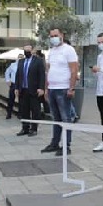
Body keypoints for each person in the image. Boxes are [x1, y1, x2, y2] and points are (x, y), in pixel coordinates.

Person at [42, 28, 78, 157]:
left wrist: (71, 88)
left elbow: (74, 70)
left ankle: (66, 146)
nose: (53, 38)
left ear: (62, 35)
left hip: (63, 89)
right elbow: (48, 71)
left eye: (56, 35)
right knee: (56, 118)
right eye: (51, 36)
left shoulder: (69, 50)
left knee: (66, 118)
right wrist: (46, 88)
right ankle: (54, 143)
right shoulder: (51, 51)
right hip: (52, 89)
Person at [15, 45, 46, 137]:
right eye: (25, 50)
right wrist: (16, 88)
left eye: (28, 50)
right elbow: (18, 76)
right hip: (23, 90)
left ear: (32, 50)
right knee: (24, 110)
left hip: (34, 90)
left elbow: (42, 75)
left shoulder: (38, 61)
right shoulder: (21, 62)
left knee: (35, 110)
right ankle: (25, 128)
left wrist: (41, 88)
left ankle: (34, 129)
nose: (27, 51)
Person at [4, 55, 22, 119]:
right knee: (11, 99)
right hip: (13, 84)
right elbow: (7, 72)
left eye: (21, 57)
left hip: (21, 85)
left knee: (21, 100)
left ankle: (20, 114)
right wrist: (8, 80)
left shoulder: (24, 65)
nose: (20, 59)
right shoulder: (13, 65)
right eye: (19, 57)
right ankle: (9, 113)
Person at [36, 50, 50, 116]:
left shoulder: (42, 64)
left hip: (43, 85)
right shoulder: (43, 64)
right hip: (42, 85)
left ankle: (44, 112)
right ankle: (44, 112)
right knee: (43, 100)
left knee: (43, 100)